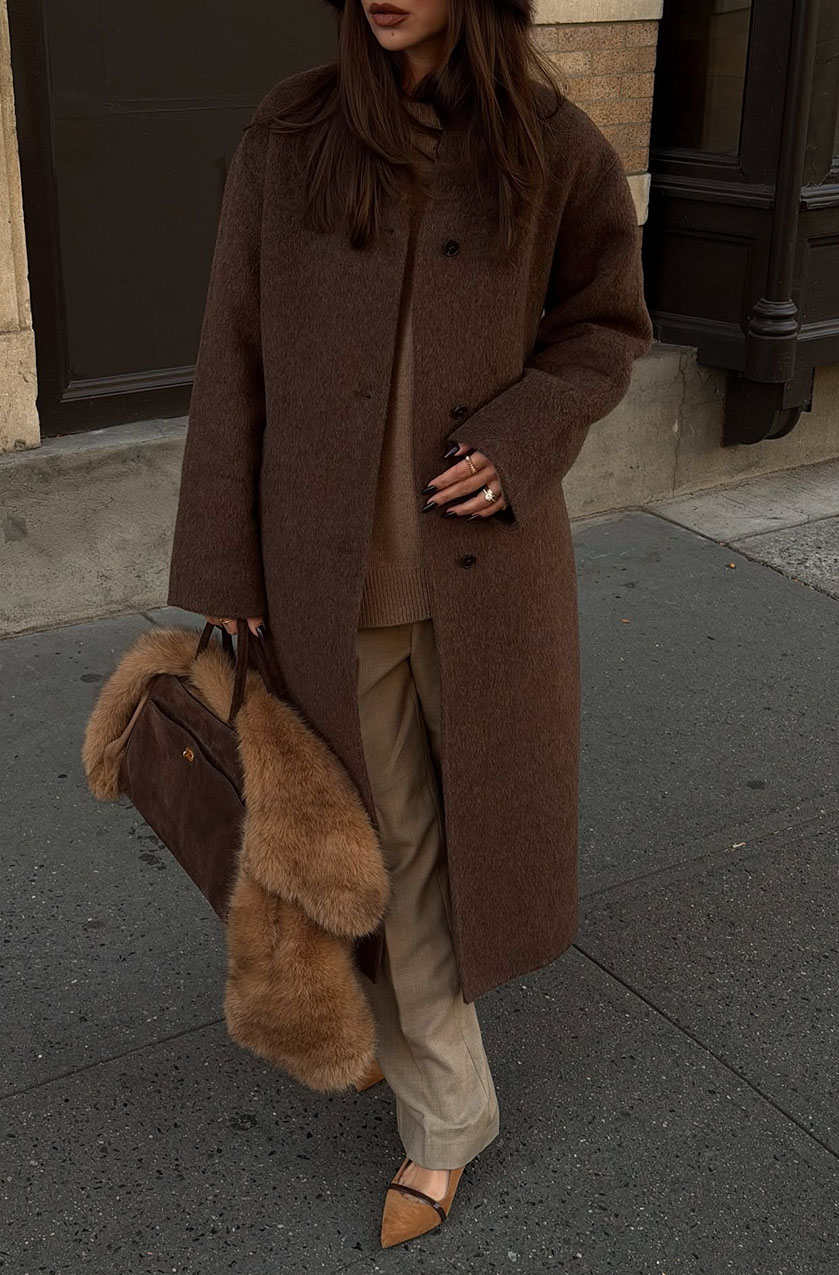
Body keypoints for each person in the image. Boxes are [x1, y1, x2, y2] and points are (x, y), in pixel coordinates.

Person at [166, 0, 653, 1249]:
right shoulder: (293, 134)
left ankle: (436, 1115)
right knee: (371, 853)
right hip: (327, 584)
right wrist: (223, 551)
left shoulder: (550, 145)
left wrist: (523, 435)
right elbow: (232, 355)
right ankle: (443, 1109)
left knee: (441, 855)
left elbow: (603, 328)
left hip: (485, 587)